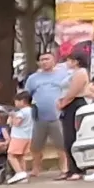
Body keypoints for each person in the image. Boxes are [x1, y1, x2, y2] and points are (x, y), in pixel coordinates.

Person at [25, 47, 80, 176]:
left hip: (58, 115)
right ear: (38, 62)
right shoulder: (33, 78)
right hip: (39, 116)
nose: (45, 62)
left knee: (61, 144)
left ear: (54, 60)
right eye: (42, 60)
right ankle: (36, 169)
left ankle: (65, 168)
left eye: (47, 59)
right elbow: (27, 95)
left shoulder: (63, 75)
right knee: (36, 146)